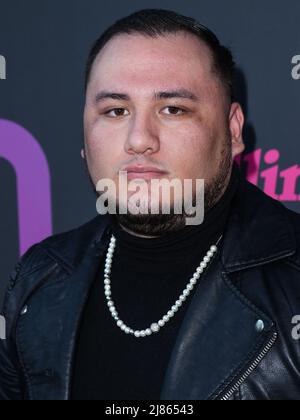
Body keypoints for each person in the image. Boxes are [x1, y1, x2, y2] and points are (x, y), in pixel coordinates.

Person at [0, 9, 300, 401]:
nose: (139, 139)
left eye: (173, 109)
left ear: (233, 129)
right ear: (84, 136)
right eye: (115, 111)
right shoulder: (39, 278)